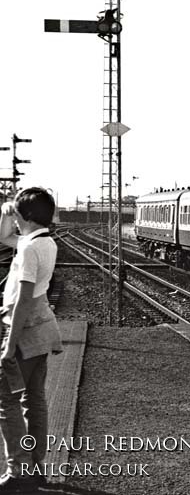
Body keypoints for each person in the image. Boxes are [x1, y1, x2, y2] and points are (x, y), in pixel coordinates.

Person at [0, 188, 62, 492]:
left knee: (6, 401)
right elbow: (4, 238)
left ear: (23, 217)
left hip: (24, 332)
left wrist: (9, 345)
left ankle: (18, 471)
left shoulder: (27, 249)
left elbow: (23, 299)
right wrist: (7, 214)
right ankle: (35, 466)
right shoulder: (44, 242)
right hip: (43, 329)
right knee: (33, 400)